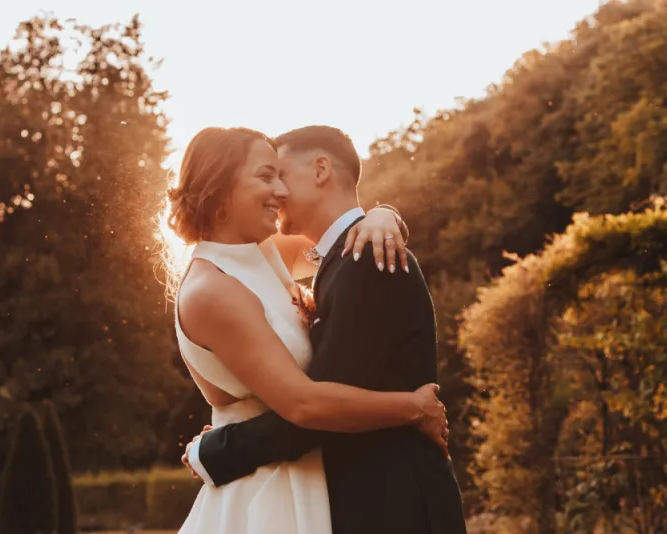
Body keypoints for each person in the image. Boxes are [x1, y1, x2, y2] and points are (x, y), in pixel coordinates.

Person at [165, 126, 458, 534]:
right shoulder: (211, 288)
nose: (280, 191)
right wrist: (413, 407)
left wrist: (383, 214)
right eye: (266, 176)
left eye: (280, 175)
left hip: (320, 481)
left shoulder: (266, 254)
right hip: (267, 492)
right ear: (221, 187)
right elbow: (304, 405)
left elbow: (338, 240)